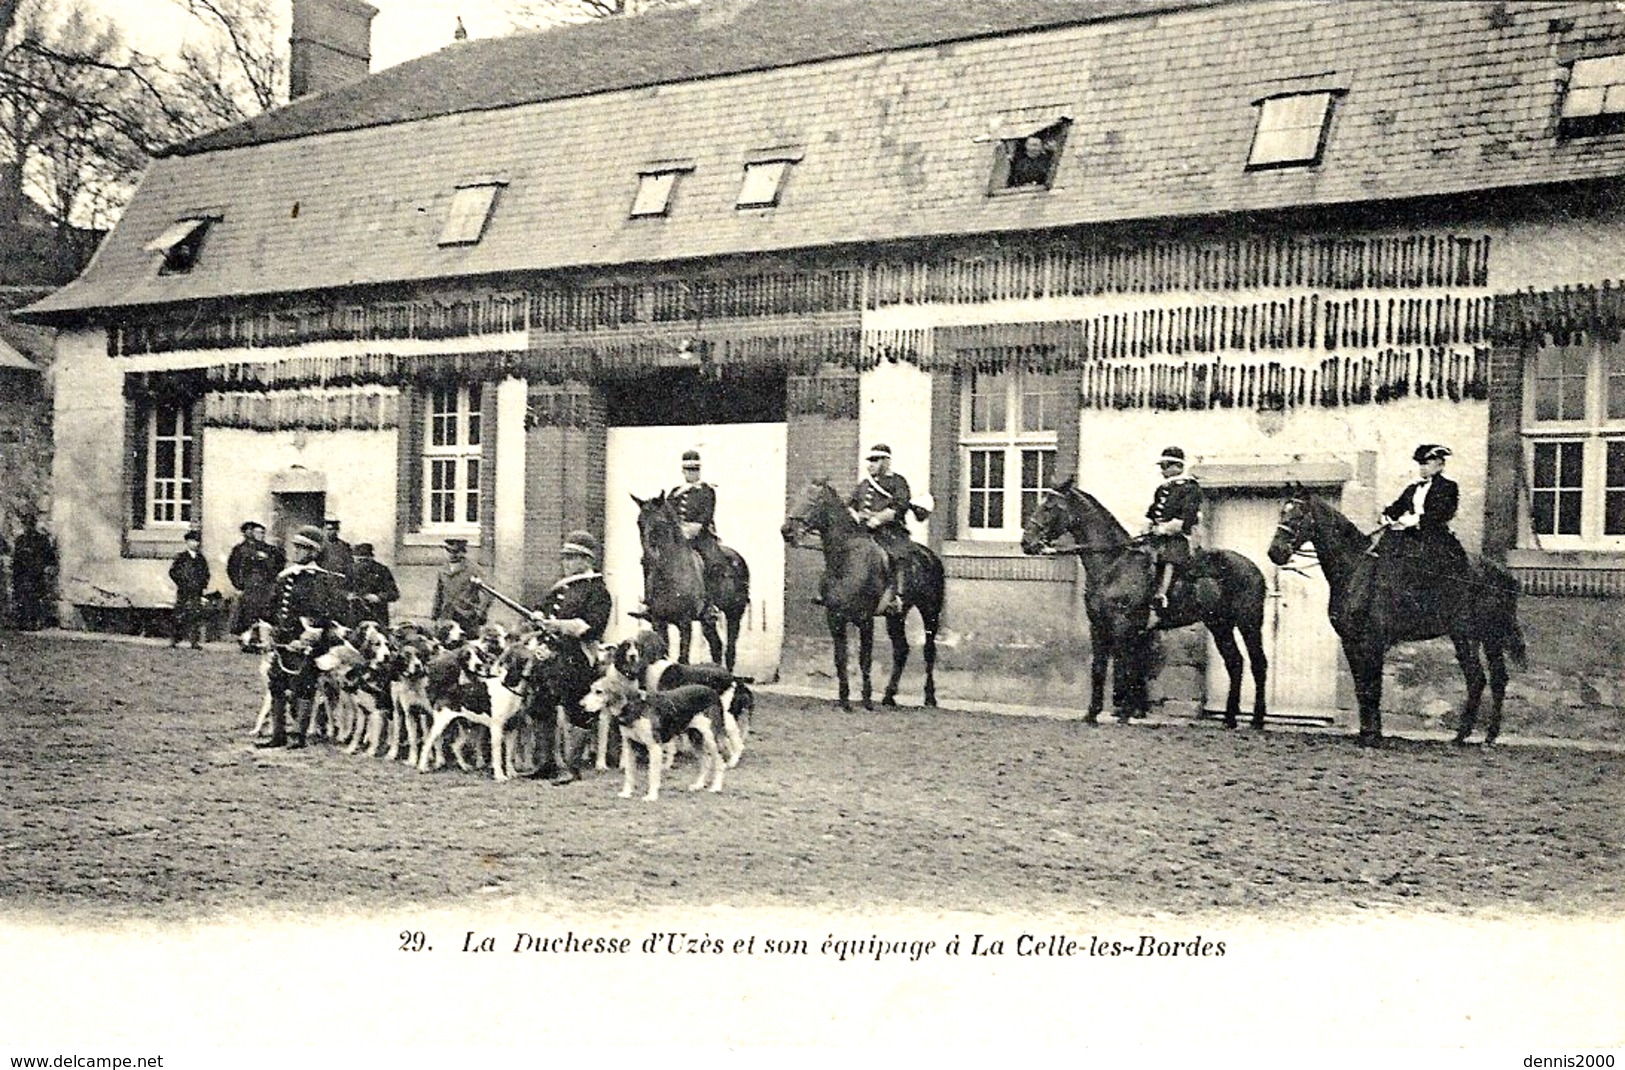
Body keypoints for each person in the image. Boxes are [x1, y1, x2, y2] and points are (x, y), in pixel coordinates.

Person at [529, 530, 613, 785]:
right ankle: (546, 763)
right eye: (564, 558)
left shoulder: (597, 590)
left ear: (586, 560)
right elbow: (541, 612)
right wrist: (537, 625)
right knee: (540, 705)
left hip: (576, 658)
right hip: (550, 655)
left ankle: (571, 767)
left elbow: (591, 627)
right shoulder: (561, 588)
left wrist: (557, 625)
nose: (566, 563)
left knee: (576, 710)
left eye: (571, 558)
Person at [257, 526, 347, 749]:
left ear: (313, 552)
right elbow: (271, 609)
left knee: (303, 686)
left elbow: (320, 616)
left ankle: (298, 735)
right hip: (283, 640)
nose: (296, 552)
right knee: (276, 683)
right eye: (296, 547)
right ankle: (278, 734)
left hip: (305, 644)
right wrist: (267, 632)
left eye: (303, 548)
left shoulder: (318, 580)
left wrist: (305, 640)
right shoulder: (285, 576)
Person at [1142, 446, 1203, 629]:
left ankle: (1162, 597)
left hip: (1177, 538)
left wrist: (1164, 529)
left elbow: (1187, 519)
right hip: (1158, 536)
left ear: (1177, 466)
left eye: (1165, 466)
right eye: (1162, 466)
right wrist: (1148, 525)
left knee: (1170, 558)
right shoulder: (1163, 489)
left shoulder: (1190, 488)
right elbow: (1153, 511)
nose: (1162, 471)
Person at [848, 443, 913, 615]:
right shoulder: (863, 485)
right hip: (864, 532)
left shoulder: (898, 481)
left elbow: (900, 506)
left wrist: (877, 519)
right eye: (869, 461)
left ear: (886, 462)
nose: (870, 464)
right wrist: (856, 516)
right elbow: (851, 505)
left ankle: (896, 597)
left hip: (890, 532)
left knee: (895, 556)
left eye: (875, 461)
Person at [670, 448, 727, 619]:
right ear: (683, 471)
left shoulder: (706, 491)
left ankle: (710, 604)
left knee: (713, 562)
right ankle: (653, 601)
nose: (691, 474)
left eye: (695, 470)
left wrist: (693, 529)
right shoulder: (675, 492)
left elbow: (707, 514)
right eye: (688, 470)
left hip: (700, 536)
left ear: (699, 471)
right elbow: (668, 514)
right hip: (679, 538)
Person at [227, 521, 284, 644]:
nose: (260, 535)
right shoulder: (241, 550)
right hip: (249, 587)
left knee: (264, 612)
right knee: (248, 613)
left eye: (262, 533)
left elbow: (279, 563)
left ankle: (261, 639)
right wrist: (238, 584)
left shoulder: (270, 549)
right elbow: (233, 568)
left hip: (265, 587)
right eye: (257, 533)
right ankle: (247, 639)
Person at [431, 537, 491, 635]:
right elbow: (439, 593)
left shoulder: (473, 569)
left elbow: (489, 592)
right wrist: (435, 615)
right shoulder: (443, 570)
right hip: (447, 616)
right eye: (448, 550)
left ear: (462, 552)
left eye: (455, 551)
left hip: (467, 616)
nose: (451, 554)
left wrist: (481, 612)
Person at [11, 513, 57, 631]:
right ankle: (22, 622)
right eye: (26, 524)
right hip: (22, 574)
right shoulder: (20, 540)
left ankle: (33, 622)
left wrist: (45, 568)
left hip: (36, 574)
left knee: (34, 598)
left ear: (34, 524)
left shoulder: (42, 540)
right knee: (21, 598)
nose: (28, 527)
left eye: (30, 524)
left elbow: (50, 557)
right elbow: (16, 558)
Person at [168, 529, 211, 650]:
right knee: (179, 615)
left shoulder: (201, 559)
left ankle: (194, 641)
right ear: (187, 542)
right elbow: (173, 572)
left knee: (195, 615)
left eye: (197, 541)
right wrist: (182, 582)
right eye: (192, 541)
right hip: (183, 590)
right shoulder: (181, 557)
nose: (195, 544)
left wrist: (202, 585)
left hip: (196, 591)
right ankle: (175, 640)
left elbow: (206, 574)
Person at [349, 542, 400, 626]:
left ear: (371, 558)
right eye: (359, 560)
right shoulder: (349, 570)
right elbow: (339, 589)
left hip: (377, 615)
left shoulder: (382, 570)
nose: (362, 564)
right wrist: (348, 595)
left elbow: (394, 593)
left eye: (365, 560)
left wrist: (378, 597)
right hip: (355, 615)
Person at [319, 517, 355, 590]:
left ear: (337, 530)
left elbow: (349, 566)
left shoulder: (344, 546)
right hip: (322, 581)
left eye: (333, 530)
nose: (330, 532)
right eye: (328, 529)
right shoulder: (319, 545)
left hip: (339, 582)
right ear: (323, 530)